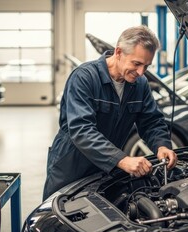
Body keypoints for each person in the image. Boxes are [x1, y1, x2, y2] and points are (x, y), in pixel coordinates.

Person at [43, 25, 177, 201]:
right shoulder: (84, 77)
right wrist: (122, 160)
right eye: (136, 64)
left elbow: (151, 121)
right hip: (71, 168)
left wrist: (162, 145)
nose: (141, 72)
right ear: (119, 52)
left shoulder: (140, 84)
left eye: (146, 66)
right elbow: (81, 130)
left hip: (106, 169)